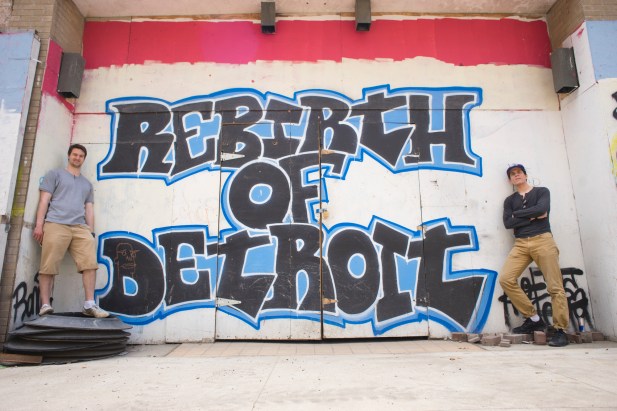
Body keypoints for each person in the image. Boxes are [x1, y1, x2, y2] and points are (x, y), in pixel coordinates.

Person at [32, 144, 109, 318]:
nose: (77, 158)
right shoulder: (55, 175)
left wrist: (91, 232)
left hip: (80, 227)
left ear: (84, 159)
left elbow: (89, 209)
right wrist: (39, 225)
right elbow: (44, 200)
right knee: (48, 265)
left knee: (90, 263)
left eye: (81, 156)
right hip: (56, 223)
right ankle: (45, 305)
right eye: (75, 154)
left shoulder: (86, 184)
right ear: (69, 156)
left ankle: (89, 304)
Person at [499, 164, 568, 347]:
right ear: (510, 180)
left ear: (525, 175)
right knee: (506, 279)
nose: (516, 175)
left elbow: (542, 209)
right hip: (521, 243)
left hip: (542, 239)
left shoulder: (541, 192)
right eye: (512, 174)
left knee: (555, 286)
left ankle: (560, 330)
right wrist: (532, 215)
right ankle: (535, 319)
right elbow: (508, 223)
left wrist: (518, 216)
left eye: (519, 172)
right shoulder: (509, 201)